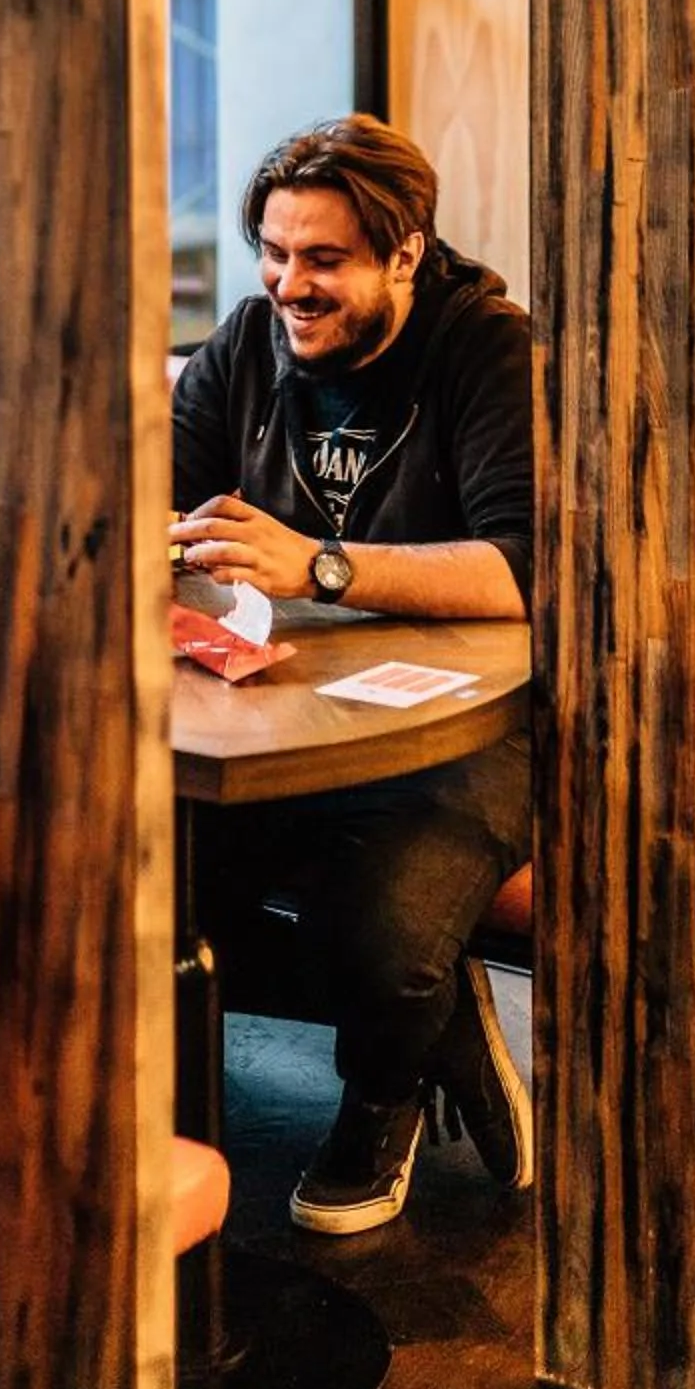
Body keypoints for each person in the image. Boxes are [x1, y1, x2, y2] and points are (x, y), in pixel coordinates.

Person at [172, 112, 533, 1237]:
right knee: (145, 882)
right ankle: (424, 1016)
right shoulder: (244, 345)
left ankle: (382, 1091)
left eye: (322, 259)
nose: (289, 285)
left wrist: (318, 566)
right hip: (280, 721)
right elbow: (165, 512)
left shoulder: (485, 351)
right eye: (274, 255)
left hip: (475, 731)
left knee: (376, 933)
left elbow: (530, 571)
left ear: (403, 253)